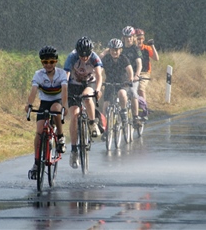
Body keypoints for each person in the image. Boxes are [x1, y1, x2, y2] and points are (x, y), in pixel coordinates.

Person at [25, 46, 68, 179]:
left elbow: (65, 90)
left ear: (56, 61)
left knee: (55, 109)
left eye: (51, 62)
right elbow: (33, 91)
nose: (48, 65)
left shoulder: (61, 73)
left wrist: (64, 106)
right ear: (41, 63)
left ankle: (60, 136)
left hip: (57, 101)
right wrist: (29, 104)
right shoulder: (38, 74)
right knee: (39, 132)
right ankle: (37, 163)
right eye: (45, 62)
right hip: (44, 103)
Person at [64, 36, 103, 169]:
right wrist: (63, 89)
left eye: (86, 56)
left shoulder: (95, 57)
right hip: (73, 85)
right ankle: (74, 150)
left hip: (88, 83)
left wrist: (97, 89)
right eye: (82, 55)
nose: (84, 58)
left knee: (87, 96)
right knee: (74, 116)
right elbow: (66, 75)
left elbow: (98, 75)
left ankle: (92, 123)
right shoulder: (72, 57)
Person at [100, 26, 143, 125]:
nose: (128, 39)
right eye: (126, 37)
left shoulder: (134, 50)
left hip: (126, 78)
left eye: (130, 36)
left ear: (133, 37)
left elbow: (138, 65)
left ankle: (135, 117)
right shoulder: (115, 47)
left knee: (132, 92)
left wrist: (135, 76)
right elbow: (100, 66)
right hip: (111, 80)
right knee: (106, 103)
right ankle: (105, 126)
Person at [101, 38, 133, 140]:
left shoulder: (124, 58)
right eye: (112, 50)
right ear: (109, 50)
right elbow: (100, 70)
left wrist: (131, 79)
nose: (115, 52)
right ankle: (107, 129)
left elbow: (130, 70)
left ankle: (123, 111)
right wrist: (99, 80)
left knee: (122, 94)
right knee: (106, 106)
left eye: (117, 50)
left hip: (122, 83)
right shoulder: (106, 59)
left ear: (121, 50)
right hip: (110, 83)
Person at [135, 28, 159, 102]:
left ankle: (143, 107)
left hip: (144, 73)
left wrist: (152, 46)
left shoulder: (146, 48)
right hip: (133, 73)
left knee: (141, 89)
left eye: (142, 38)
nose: (140, 40)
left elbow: (156, 58)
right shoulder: (132, 49)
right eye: (138, 38)